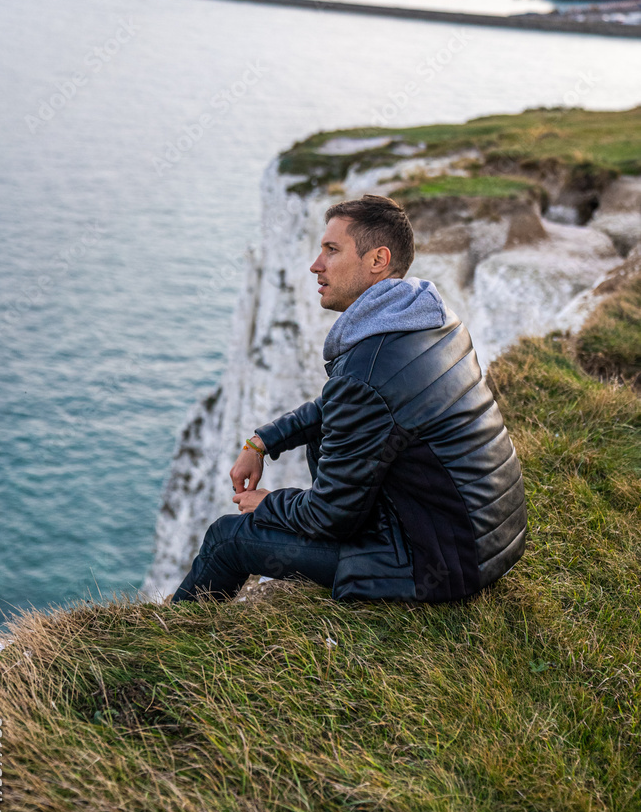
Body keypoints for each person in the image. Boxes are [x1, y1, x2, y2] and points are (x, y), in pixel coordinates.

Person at [172, 194, 527, 605]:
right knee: (322, 438)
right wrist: (264, 441)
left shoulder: (369, 365)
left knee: (225, 539)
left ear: (377, 260)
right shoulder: (429, 321)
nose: (315, 265)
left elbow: (329, 515)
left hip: (438, 563)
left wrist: (267, 504)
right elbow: (340, 407)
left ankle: (161, 647)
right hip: (486, 538)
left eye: (331, 250)